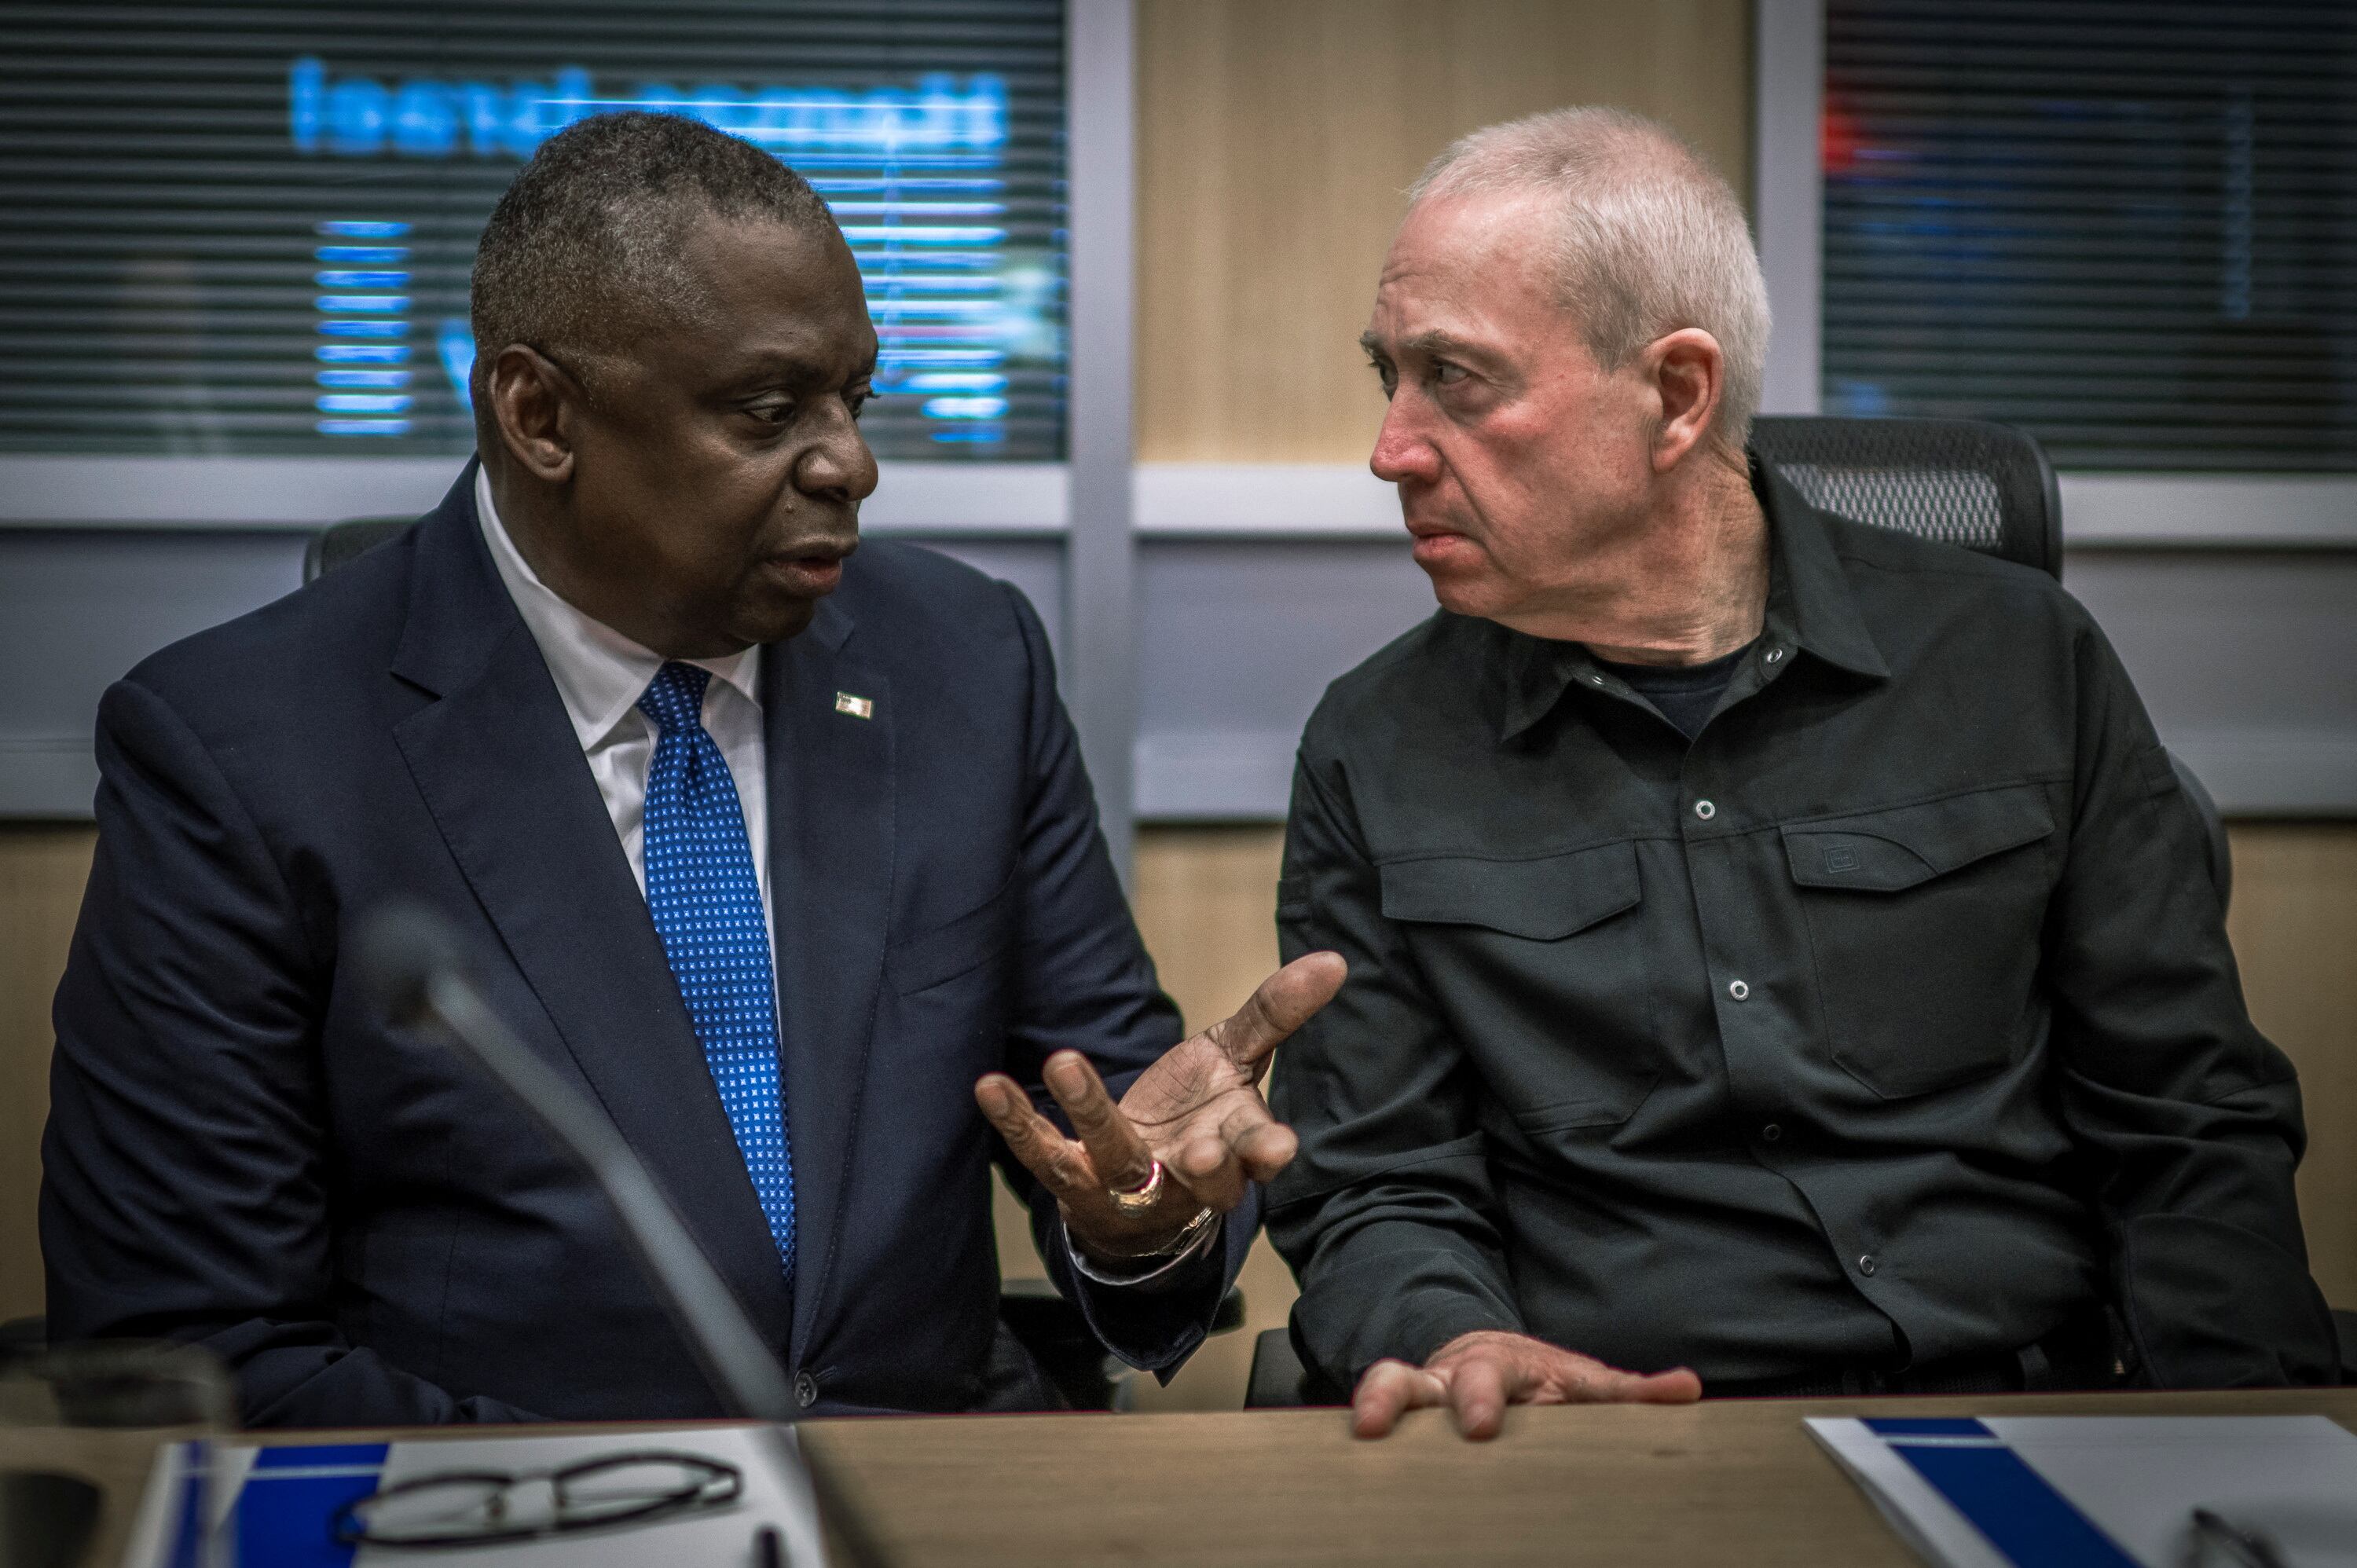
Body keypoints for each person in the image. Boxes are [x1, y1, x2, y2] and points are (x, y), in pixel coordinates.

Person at [42, 112, 1340, 1425]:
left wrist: (1141, 1224)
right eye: (770, 411)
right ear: (541, 414)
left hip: (943, 1500)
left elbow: (1111, 1132)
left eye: (855, 400)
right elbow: (192, 1347)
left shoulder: (963, 663)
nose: (851, 464)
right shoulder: (242, 746)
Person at [1263, 106, 2338, 1441]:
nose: (1394, 449)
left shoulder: (2018, 664)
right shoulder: (1379, 746)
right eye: (1391, 378)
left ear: (1676, 395)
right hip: (1622, 1442)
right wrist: (1456, 1335)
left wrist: (2241, 1446)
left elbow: (2188, 1120)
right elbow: (1378, 1179)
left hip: (2032, 1410)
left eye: (1459, 382)